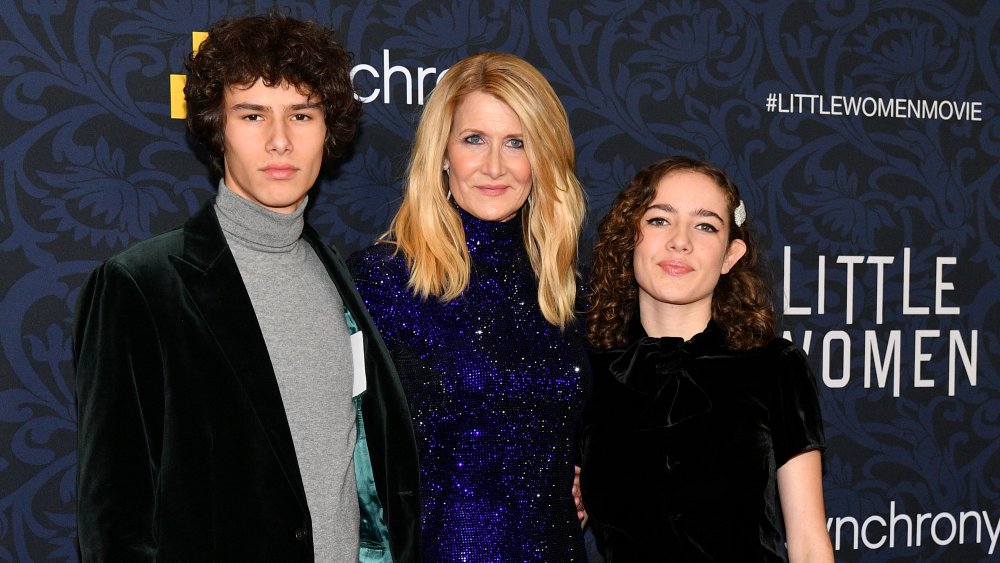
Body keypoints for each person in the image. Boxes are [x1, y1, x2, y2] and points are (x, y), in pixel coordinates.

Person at [73, 10, 419, 562]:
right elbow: (115, 522)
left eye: (301, 114)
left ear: (328, 130)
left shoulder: (335, 273)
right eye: (253, 114)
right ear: (217, 128)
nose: (280, 141)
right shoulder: (140, 287)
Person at [348, 52, 589, 561]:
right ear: (442, 153)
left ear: (542, 158)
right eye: (474, 139)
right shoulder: (384, 280)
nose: (494, 166)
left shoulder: (568, 290)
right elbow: (347, 458)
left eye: (516, 143)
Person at [579, 156, 834, 562]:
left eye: (705, 225)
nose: (681, 241)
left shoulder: (775, 366)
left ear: (731, 255)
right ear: (630, 236)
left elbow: (807, 542)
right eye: (660, 220)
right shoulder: (588, 372)